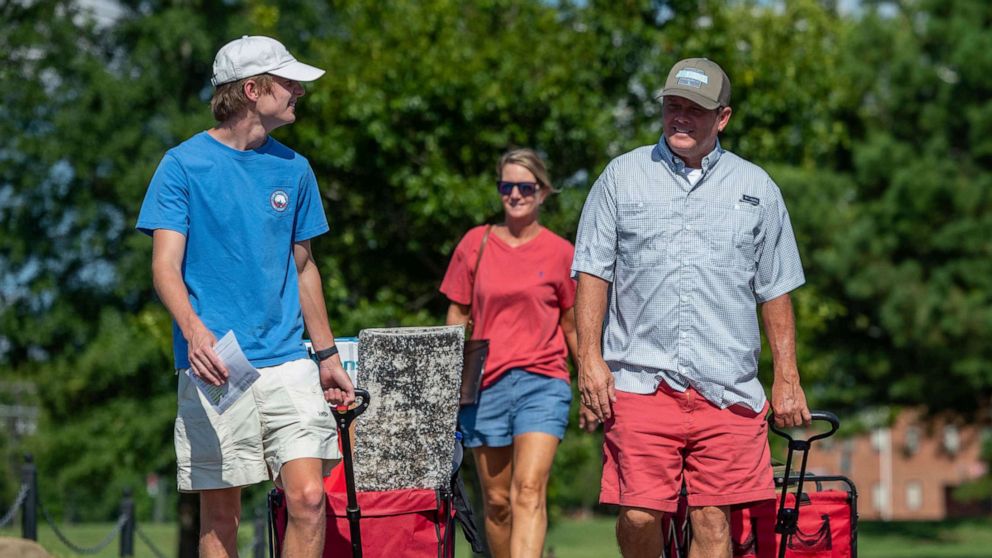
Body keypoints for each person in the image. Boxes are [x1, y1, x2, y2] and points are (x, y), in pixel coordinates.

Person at [571, 58, 812, 558]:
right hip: (639, 380)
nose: (680, 118)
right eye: (672, 106)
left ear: (722, 117)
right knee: (638, 514)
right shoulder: (621, 176)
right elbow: (592, 271)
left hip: (727, 384)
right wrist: (589, 361)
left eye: (695, 110)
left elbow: (776, 289)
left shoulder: (757, 188)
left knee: (713, 520)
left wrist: (786, 374)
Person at [136, 36, 355, 558]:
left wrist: (325, 357)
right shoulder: (182, 165)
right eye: (287, 81)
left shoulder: (295, 170)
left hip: (288, 361)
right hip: (217, 364)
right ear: (252, 90)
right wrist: (193, 330)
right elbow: (164, 265)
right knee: (222, 516)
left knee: (307, 499)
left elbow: (303, 269)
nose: (299, 90)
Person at [440, 149, 597, 558]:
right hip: (484, 385)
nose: (514, 194)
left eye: (524, 187)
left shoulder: (561, 252)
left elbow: (571, 326)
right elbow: (457, 312)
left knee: (528, 489)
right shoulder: (476, 244)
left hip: (543, 382)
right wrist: (445, 381)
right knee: (497, 503)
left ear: (542, 193)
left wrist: (590, 389)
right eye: (506, 186)